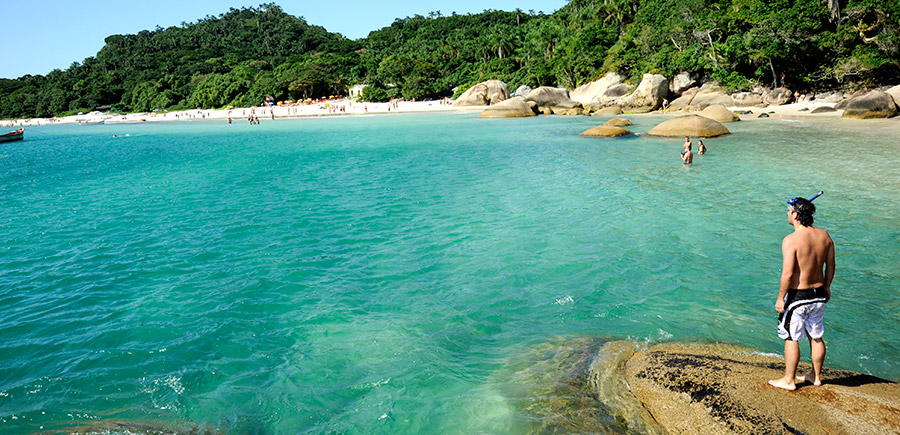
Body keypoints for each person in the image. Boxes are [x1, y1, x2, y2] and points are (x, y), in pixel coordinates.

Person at [768, 197, 835, 390]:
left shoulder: (791, 240)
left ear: (796, 215)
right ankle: (816, 376)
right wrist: (827, 287)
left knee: (791, 337)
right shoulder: (825, 236)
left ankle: (789, 380)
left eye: (789, 211)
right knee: (816, 336)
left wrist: (781, 298)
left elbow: (788, 273)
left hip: (799, 296)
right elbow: (830, 265)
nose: (787, 214)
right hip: (819, 293)